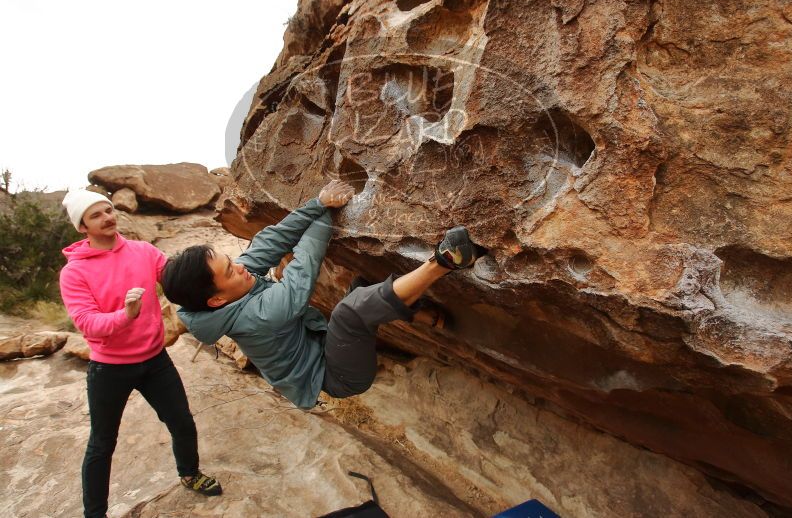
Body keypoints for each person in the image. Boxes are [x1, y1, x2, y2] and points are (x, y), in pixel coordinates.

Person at [161, 179, 483, 410]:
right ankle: (447, 260)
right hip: (336, 377)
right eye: (229, 271)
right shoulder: (254, 318)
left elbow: (271, 241)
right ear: (216, 300)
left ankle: (428, 317)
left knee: (362, 286)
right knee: (349, 313)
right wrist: (325, 215)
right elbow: (303, 271)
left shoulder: (232, 284)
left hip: (325, 346)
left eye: (230, 260)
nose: (240, 266)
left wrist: (317, 203)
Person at [58, 189, 222, 518]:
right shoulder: (74, 273)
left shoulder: (143, 252)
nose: (107, 217)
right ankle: (95, 513)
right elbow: (87, 323)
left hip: (154, 360)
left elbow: (177, 280)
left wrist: (219, 280)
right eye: (96, 215)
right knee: (102, 444)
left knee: (182, 422)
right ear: (82, 227)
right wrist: (125, 315)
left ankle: (189, 474)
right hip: (110, 368)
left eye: (108, 210)